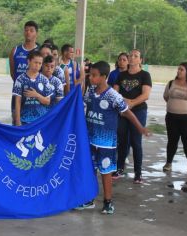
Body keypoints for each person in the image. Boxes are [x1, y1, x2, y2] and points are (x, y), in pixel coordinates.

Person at [78, 61, 150, 213]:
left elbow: (127, 112)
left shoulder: (113, 96)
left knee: (106, 172)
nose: (91, 77)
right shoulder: (90, 91)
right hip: (90, 141)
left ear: (104, 77)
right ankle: (89, 199)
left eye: (94, 75)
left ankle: (108, 202)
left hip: (106, 143)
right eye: (90, 74)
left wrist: (140, 128)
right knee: (90, 170)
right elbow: (81, 107)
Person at [113, 49, 152, 183]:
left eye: (136, 56)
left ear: (140, 60)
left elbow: (146, 94)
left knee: (136, 142)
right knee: (122, 141)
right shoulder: (121, 75)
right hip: (123, 112)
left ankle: (138, 173)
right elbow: (115, 93)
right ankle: (119, 168)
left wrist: (132, 103)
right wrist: (125, 102)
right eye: (131, 55)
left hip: (139, 111)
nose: (132, 58)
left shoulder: (145, 75)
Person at [9, 21, 39, 124]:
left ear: (36, 33)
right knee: (16, 120)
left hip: (35, 94)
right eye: (26, 30)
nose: (28, 32)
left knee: (33, 121)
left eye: (31, 30)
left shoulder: (39, 51)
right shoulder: (15, 50)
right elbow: (13, 73)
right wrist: (21, 85)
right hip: (18, 92)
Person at [12, 50, 53, 126]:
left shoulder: (45, 80)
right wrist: (18, 121)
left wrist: (36, 95)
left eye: (40, 63)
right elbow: (17, 102)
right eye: (35, 62)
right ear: (29, 61)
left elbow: (47, 101)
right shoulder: (20, 79)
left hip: (41, 121)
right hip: (24, 120)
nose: (37, 65)